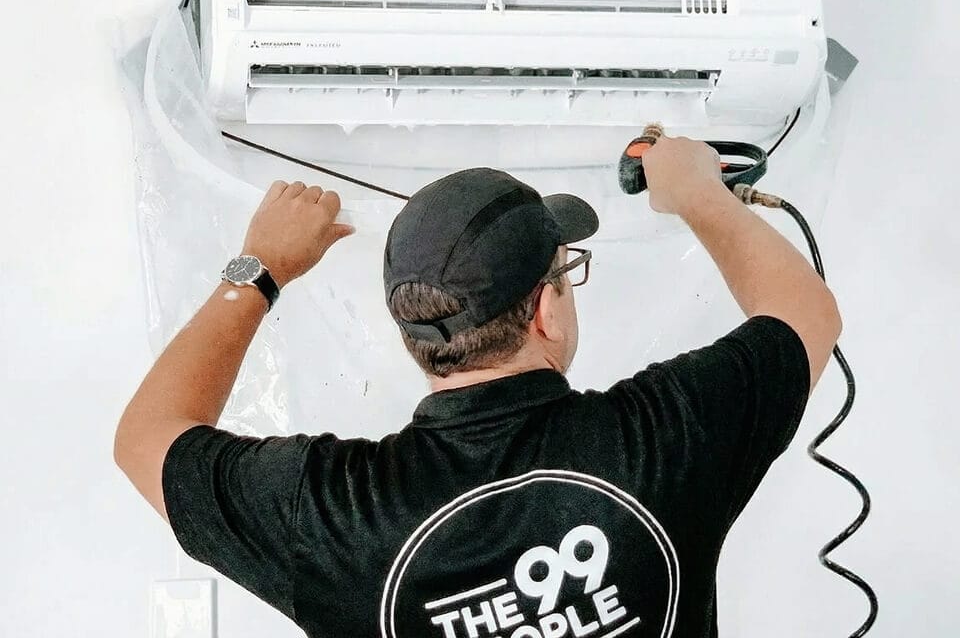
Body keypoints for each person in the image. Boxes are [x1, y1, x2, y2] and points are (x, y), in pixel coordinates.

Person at [115, 134, 841, 638]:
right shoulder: (666, 438)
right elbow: (805, 313)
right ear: (547, 310)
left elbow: (146, 438)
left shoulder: (334, 514)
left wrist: (261, 267)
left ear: (416, 337)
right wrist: (699, 195)